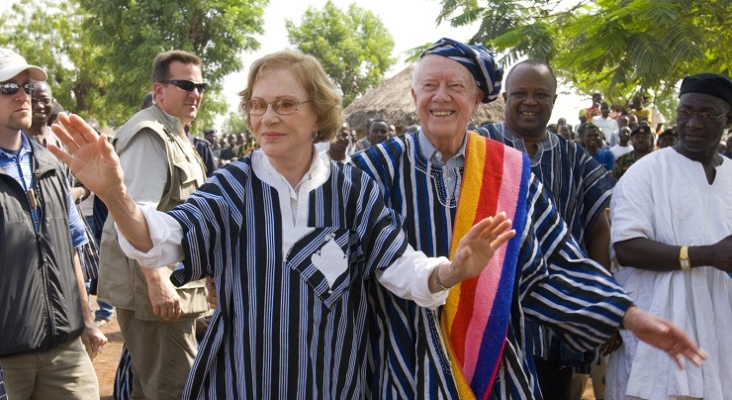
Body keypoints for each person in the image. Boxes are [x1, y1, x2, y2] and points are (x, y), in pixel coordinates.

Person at [50, 49, 519, 399]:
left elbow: (405, 271)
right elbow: (161, 241)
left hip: (335, 386)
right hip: (239, 385)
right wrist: (114, 195)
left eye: (284, 104)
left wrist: (453, 271)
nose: (266, 118)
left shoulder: (352, 190)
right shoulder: (233, 185)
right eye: (257, 105)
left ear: (318, 113)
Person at [351, 38, 705, 399]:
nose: (440, 96)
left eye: (455, 86)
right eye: (429, 86)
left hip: (495, 373)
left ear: (476, 100)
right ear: (414, 97)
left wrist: (627, 315)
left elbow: (554, 264)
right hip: (402, 368)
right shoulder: (371, 170)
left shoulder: (508, 171)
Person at [481, 58, 616, 399]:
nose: (530, 101)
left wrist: (597, 300)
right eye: (520, 93)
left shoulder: (575, 158)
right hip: (488, 314)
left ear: (553, 101)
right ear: (506, 98)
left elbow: (600, 228)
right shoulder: (478, 147)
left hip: (556, 322)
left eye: (541, 94)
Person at [606, 72, 732, 400]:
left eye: (706, 114)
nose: (693, 123)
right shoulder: (645, 173)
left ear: (727, 118)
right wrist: (705, 255)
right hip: (659, 330)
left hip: (721, 327)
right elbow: (627, 248)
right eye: (686, 112)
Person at [96, 50, 210, 400]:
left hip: (175, 290)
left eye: (200, 86)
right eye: (185, 85)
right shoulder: (150, 134)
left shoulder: (174, 131)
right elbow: (133, 213)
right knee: (173, 389)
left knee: (155, 388)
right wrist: (157, 280)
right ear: (159, 90)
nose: (195, 93)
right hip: (158, 294)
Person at [0, 48, 107, 399]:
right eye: (8, 88)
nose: (22, 96)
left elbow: (71, 247)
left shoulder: (49, 162)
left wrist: (88, 320)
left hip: (65, 345)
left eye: (26, 88)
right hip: (7, 357)